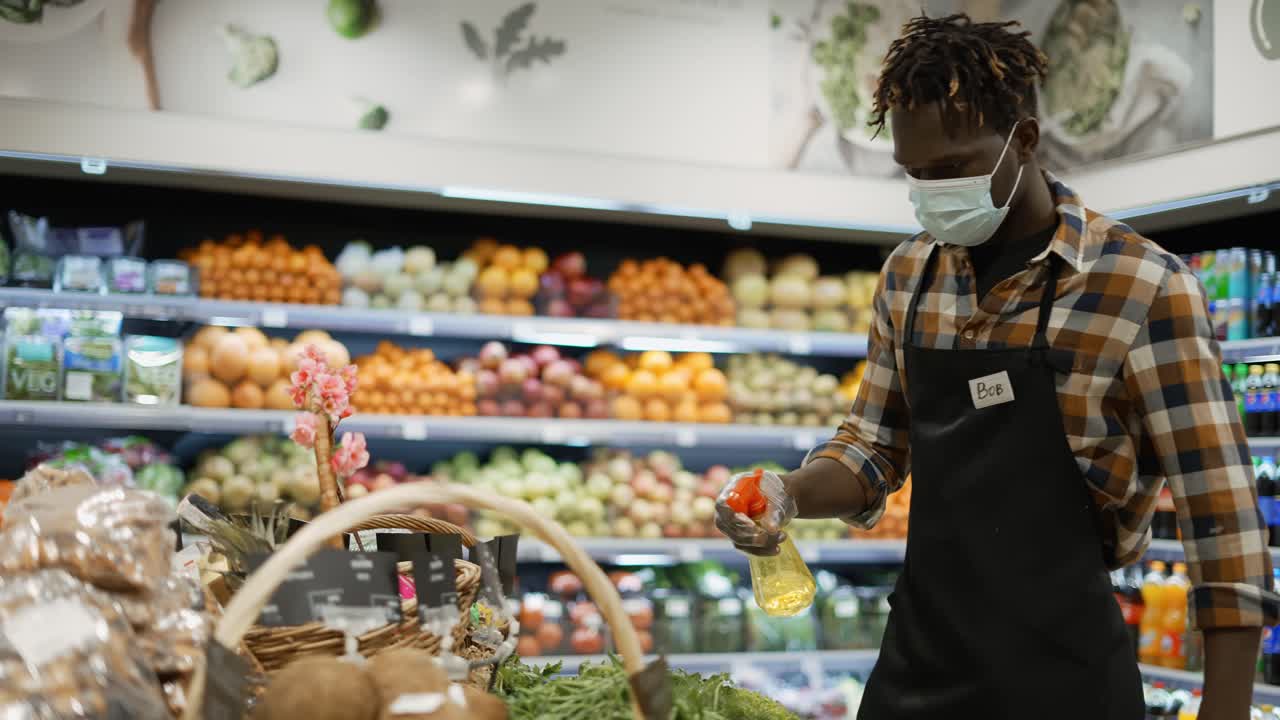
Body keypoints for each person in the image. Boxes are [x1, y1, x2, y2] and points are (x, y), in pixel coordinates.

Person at [715, 14, 1277, 720]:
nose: (931, 191)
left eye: (951, 169)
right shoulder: (909, 276)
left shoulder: (1141, 287)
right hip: (920, 667)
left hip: (1067, 680)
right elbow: (872, 446)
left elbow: (1220, 518)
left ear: (1027, 142)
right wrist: (788, 491)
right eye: (914, 174)